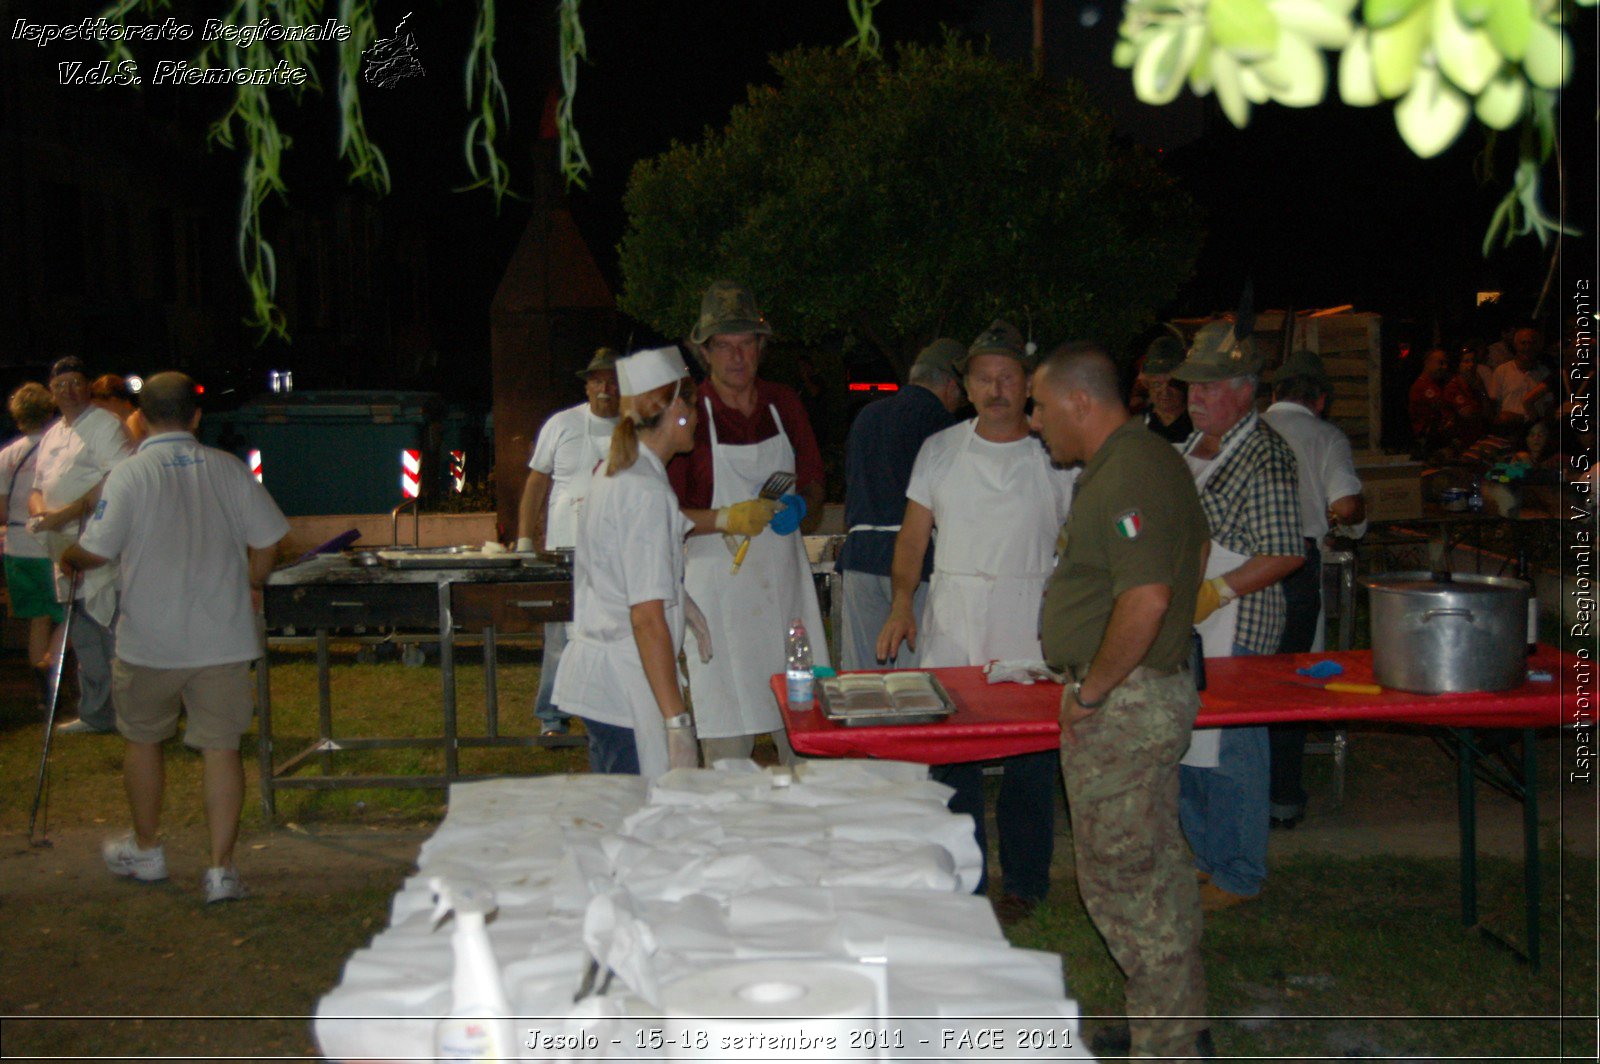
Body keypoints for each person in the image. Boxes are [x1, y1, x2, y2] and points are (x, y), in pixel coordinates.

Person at [1031, 341, 1211, 1060]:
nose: (1038, 421)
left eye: (1042, 405)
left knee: (1126, 883)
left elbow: (1147, 596)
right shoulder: (1145, 459)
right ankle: (1169, 1025)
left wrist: (1094, 688)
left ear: (1080, 400)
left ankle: (1166, 1047)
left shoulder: (1129, 471)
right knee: (1156, 870)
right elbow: (1191, 559)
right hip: (1145, 693)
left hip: (1125, 704)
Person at [59, 372, 288, 903]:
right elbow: (270, 540)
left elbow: (96, 550)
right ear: (196, 415)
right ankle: (220, 869)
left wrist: (69, 554)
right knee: (221, 749)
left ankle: (147, 849)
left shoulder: (131, 475)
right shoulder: (228, 470)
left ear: (139, 414)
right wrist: (252, 582)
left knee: (142, 740)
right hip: (223, 638)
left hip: (151, 640)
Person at [875, 320, 1077, 923]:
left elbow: (1089, 537)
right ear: (966, 386)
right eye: (984, 378)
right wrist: (901, 602)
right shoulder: (940, 449)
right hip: (955, 620)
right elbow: (913, 540)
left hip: (1030, 621)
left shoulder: (1055, 454)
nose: (996, 389)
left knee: (1030, 763)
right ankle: (963, 880)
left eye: (1008, 378)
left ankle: (1025, 883)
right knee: (953, 756)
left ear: (1027, 384)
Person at [1170, 320, 1304, 911]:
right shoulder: (1188, 448)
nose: (1195, 396)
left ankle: (1241, 872)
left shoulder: (1265, 455)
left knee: (1235, 754)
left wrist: (1216, 591)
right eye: (1192, 385)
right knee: (1188, 747)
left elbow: (1285, 551)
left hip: (1235, 625)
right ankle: (1206, 860)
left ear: (1247, 389)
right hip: (1184, 627)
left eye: (1211, 385)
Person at [669, 280, 825, 765]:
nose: (737, 357)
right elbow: (664, 517)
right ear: (704, 352)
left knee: (803, 732)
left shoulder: (785, 405)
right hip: (720, 598)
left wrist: (803, 507)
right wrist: (725, 517)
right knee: (727, 746)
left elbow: (815, 485)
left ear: (761, 348)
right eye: (724, 346)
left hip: (785, 594)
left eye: (746, 345)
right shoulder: (690, 413)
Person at [552, 347, 707, 777]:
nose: (697, 419)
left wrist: (680, 598)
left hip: (608, 682)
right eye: (693, 407)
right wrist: (677, 723)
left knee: (618, 818)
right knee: (636, 824)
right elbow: (645, 618)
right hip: (626, 685)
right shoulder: (645, 491)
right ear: (676, 408)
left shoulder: (620, 472)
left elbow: (623, 570)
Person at [1262, 350, 1367, 828]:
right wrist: (1351, 520)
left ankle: (1237, 789)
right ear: (1320, 400)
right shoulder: (1326, 436)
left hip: (1239, 566)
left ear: (1273, 395)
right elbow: (1345, 505)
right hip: (1295, 564)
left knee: (1241, 678)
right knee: (1289, 682)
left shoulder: (1247, 433)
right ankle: (1282, 797)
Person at [835, 338, 964, 670]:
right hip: (913, 560)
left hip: (860, 556)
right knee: (911, 680)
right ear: (951, 386)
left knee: (863, 679)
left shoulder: (866, 416)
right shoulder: (942, 425)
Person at [515, 348, 621, 737]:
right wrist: (525, 538)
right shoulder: (561, 424)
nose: (605, 388)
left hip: (614, 552)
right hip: (564, 550)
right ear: (588, 385)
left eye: (612, 380)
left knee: (610, 635)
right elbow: (536, 483)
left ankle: (608, 714)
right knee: (560, 636)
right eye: (597, 380)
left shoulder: (634, 428)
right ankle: (552, 716)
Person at [28, 356, 134, 734]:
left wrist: (72, 511)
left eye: (76, 382)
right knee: (85, 634)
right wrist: (44, 514)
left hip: (97, 544)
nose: (69, 390)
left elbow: (117, 478)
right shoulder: (55, 432)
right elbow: (38, 487)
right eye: (61, 385)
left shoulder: (105, 425)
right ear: (51, 392)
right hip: (62, 546)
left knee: (111, 630)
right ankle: (96, 713)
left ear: (87, 386)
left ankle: (128, 714)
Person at [0, 382, 63, 703]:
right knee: (70, 613)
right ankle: (51, 663)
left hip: (17, 547)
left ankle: (43, 684)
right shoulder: (58, 450)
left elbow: (1, 508)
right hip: (50, 544)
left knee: (38, 618)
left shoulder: (6, 455)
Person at [1489, 325, 1553, 428]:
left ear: (1538, 346)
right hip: (1509, 429)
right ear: (1515, 345)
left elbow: (1548, 406)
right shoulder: (1502, 371)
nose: (1528, 347)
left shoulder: (1544, 373)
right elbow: (1494, 405)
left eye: (1532, 343)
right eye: (1523, 343)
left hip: (1535, 432)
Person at [1138, 334, 1194, 443]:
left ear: (1185, 384)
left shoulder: (1198, 424)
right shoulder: (1138, 425)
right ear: (1147, 385)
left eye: (1173, 384)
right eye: (1157, 384)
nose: (1165, 391)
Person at [1443, 345, 1492, 452]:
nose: (1471, 365)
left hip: (1477, 439)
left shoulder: (1476, 384)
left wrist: (1481, 390)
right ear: (1458, 365)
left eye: (1474, 361)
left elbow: (1488, 413)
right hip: (1461, 443)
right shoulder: (1454, 386)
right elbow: (1468, 414)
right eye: (1466, 361)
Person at [1408, 347, 1453, 456]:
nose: (1444, 367)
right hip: (1430, 444)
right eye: (1440, 363)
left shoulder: (1434, 385)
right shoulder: (1423, 386)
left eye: (1446, 363)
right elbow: (1442, 408)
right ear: (1427, 363)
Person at [91, 373, 146, 444]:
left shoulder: (134, 419)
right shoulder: (135, 418)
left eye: (102, 407)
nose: (100, 412)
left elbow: (135, 452)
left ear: (114, 400)